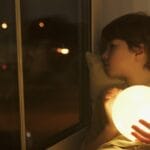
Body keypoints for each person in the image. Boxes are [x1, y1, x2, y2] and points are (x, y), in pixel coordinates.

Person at [81, 12, 150, 150]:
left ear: (138, 50)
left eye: (112, 46)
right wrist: (110, 127)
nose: (104, 55)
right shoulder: (111, 100)